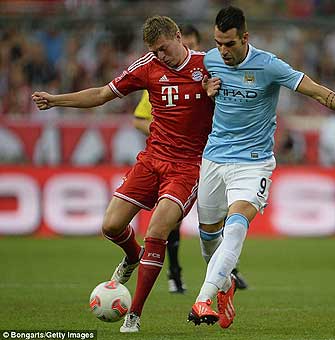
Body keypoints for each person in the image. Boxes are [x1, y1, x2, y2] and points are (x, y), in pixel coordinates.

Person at [187, 6, 335, 329]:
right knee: (208, 238)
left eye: (229, 44)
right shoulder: (210, 61)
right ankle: (225, 283)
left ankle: (202, 299)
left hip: (253, 163)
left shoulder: (269, 65)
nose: (223, 51)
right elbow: (193, 96)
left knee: (236, 225)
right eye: (218, 43)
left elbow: (318, 92)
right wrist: (205, 93)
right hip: (214, 158)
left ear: (245, 38)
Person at [32, 15, 215, 333]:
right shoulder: (147, 67)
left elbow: (240, 98)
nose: (160, 56)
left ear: (177, 36)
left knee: (157, 229)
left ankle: (134, 314)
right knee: (111, 225)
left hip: (187, 167)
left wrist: (217, 93)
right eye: (154, 51)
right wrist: (56, 100)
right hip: (152, 159)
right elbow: (102, 94)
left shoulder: (209, 65)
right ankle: (133, 257)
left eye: (163, 48)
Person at [133, 24, 249, 293]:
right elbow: (140, 118)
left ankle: (229, 270)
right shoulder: (158, 78)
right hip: (171, 158)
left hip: (211, 157)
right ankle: (175, 274)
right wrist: (168, 130)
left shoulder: (210, 68)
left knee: (217, 218)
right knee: (169, 221)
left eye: (193, 43)